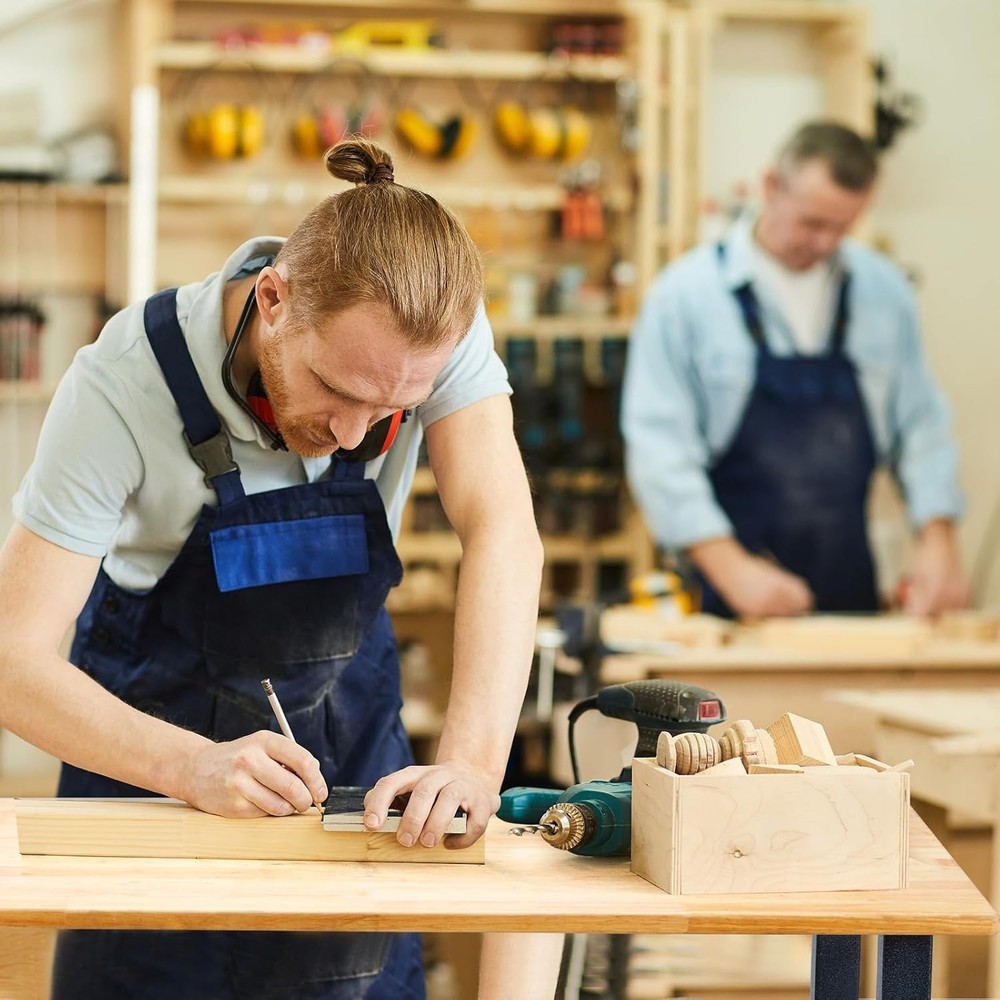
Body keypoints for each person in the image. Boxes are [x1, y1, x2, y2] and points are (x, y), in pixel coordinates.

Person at [0, 137, 546, 998]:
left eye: (395, 409)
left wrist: (474, 764)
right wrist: (191, 768)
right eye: (338, 390)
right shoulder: (120, 384)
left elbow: (503, 529)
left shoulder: (425, 337)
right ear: (274, 301)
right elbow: (12, 663)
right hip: (153, 778)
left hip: (352, 768)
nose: (357, 435)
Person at [622, 120, 968, 620]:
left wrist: (938, 536)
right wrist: (730, 567)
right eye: (812, 223)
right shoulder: (685, 298)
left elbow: (921, 424)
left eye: (843, 228)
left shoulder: (884, 293)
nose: (826, 243)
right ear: (770, 187)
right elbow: (659, 449)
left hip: (850, 589)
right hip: (724, 598)